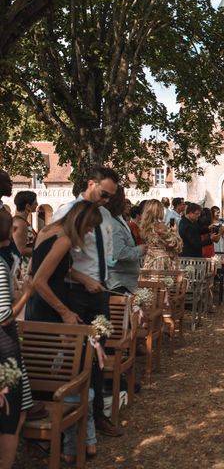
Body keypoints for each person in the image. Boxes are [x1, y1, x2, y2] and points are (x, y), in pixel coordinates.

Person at [26, 201, 102, 461]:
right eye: (90, 227)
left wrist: (83, 278)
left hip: (40, 307)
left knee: (47, 369)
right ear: (81, 221)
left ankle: (53, 440)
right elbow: (38, 280)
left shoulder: (49, 230)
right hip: (51, 308)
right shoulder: (65, 239)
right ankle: (61, 440)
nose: (90, 232)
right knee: (64, 372)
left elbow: (45, 268)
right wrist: (64, 312)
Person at [52, 166, 122, 437]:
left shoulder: (104, 215)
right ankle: (75, 422)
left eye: (110, 198)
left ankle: (95, 416)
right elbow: (53, 260)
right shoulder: (66, 212)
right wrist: (82, 278)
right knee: (77, 357)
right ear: (91, 183)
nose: (106, 201)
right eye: (104, 194)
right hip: (77, 294)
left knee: (98, 356)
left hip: (101, 293)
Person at [0, 209, 34, 469]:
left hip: (9, 344)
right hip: (4, 347)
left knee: (19, 406)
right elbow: (3, 316)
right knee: (9, 414)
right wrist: (27, 294)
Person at [106, 187, 146, 294]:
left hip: (126, 283)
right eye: (123, 198)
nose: (126, 202)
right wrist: (139, 250)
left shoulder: (118, 219)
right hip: (118, 284)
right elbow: (119, 253)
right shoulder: (113, 223)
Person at [141, 199, 182, 270]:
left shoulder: (146, 226)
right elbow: (176, 245)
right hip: (161, 262)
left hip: (150, 260)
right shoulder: (160, 227)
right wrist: (174, 232)